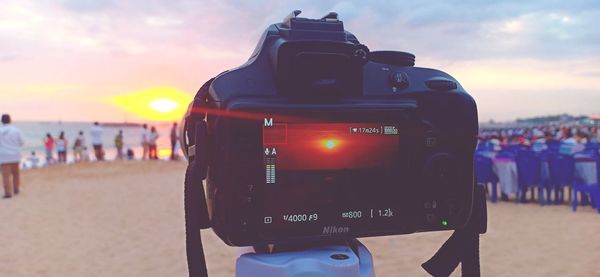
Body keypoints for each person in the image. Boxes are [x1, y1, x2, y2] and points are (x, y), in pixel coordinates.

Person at [0, 114, 25, 198]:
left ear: (1, 121)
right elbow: (22, 142)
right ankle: (16, 189)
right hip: (15, 155)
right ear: (10, 120)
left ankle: (8, 193)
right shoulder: (16, 130)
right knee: (16, 174)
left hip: (4, 156)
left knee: (6, 176)